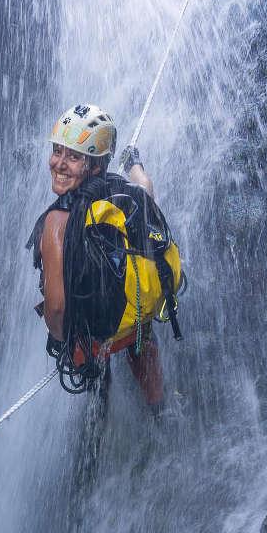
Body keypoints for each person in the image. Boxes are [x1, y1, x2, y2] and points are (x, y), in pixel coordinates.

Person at [30, 103, 181, 410]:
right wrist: (134, 162)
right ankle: (161, 408)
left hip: (95, 339)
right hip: (136, 323)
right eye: (58, 151)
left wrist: (60, 342)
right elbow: (146, 189)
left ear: (94, 165)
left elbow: (57, 309)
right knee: (143, 341)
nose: (59, 164)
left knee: (91, 367)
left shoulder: (57, 223)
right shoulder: (123, 190)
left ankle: (98, 421)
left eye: (73, 157)